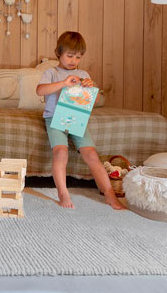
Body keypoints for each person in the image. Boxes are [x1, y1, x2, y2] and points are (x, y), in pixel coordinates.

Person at [36, 31, 125, 210]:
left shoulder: (83, 73)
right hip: (55, 118)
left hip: (77, 117)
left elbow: (97, 101)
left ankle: (109, 193)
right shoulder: (51, 72)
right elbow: (40, 91)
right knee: (61, 152)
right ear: (58, 53)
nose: (73, 61)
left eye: (78, 57)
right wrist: (64, 83)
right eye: (69, 56)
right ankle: (63, 192)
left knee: (91, 154)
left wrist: (94, 88)